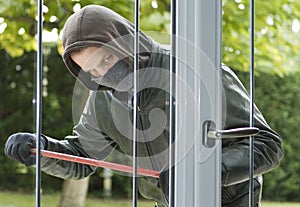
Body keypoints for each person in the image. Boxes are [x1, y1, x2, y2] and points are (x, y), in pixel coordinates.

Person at [4, 5, 284, 207]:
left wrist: (204, 176)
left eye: (105, 60)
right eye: (90, 71)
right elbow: (81, 157)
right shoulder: (102, 95)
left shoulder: (198, 71)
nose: (103, 76)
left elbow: (267, 145)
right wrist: (41, 150)